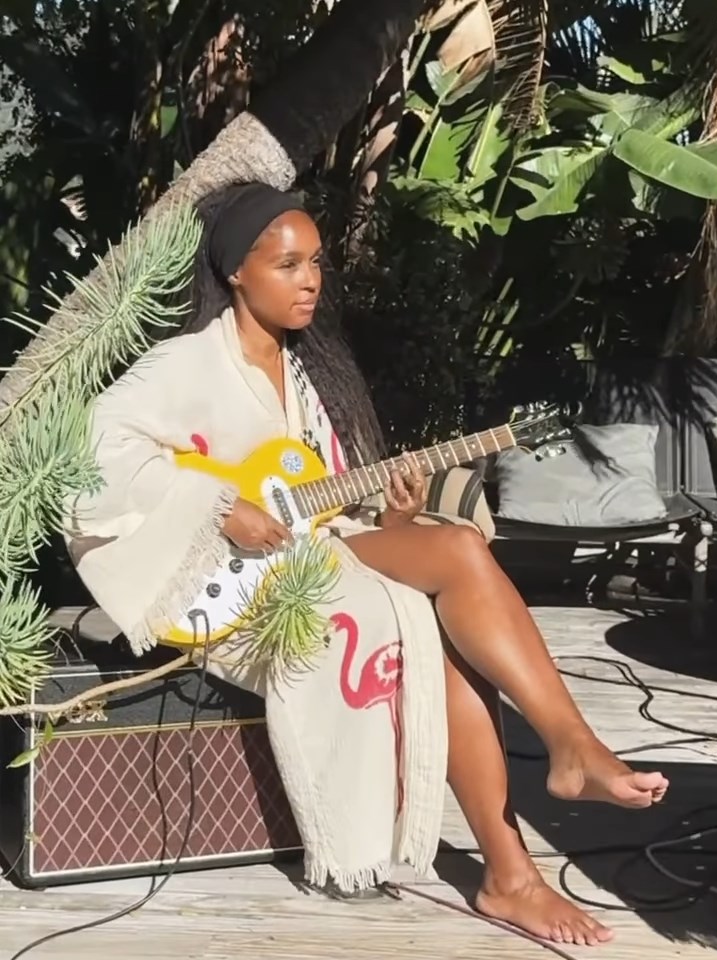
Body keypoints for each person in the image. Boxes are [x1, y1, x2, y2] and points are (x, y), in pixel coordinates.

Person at [65, 183, 668, 948]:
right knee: (426, 616)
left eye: (316, 263)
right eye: (288, 265)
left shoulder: (309, 376)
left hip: (312, 545)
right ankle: (526, 841)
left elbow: (321, 511)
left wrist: (396, 520)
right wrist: (217, 504)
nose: (310, 280)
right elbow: (92, 457)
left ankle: (545, 800)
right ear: (236, 272)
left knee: (456, 545)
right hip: (223, 581)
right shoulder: (182, 365)